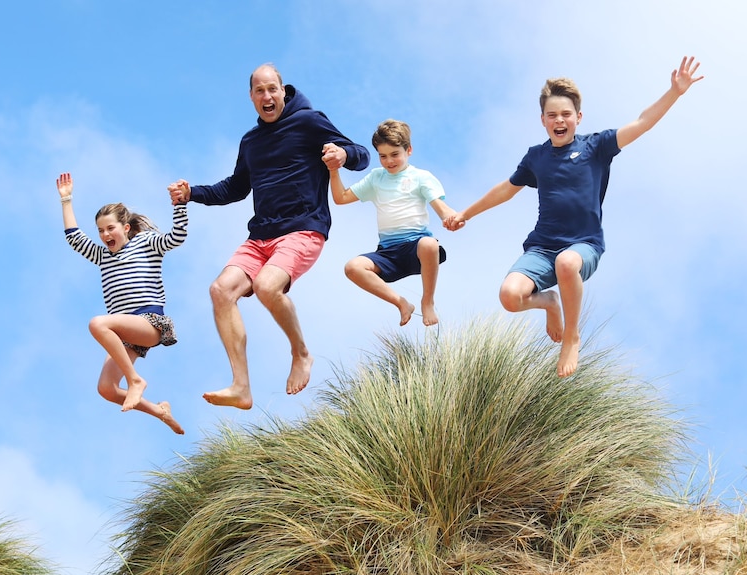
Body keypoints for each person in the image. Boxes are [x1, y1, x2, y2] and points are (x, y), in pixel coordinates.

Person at [444, 56, 703, 378]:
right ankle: (550, 303)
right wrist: (465, 214)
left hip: (584, 245)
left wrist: (674, 93)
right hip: (541, 248)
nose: (559, 120)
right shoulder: (536, 156)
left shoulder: (597, 146)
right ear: (542, 120)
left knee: (567, 263)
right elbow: (506, 189)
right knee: (510, 297)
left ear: (578, 117)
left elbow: (642, 122)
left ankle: (572, 336)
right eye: (552, 115)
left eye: (566, 114)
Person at [168, 63, 370, 410]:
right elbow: (234, 188)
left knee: (266, 286)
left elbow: (362, 156)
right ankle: (241, 387)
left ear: (283, 90)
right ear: (251, 97)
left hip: (304, 228)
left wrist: (342, 153)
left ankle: (301, 353)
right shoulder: (251, 141)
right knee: (220, 291)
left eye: (272, 89)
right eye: (259, 91)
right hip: (261, 236)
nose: (267, 96)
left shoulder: (308, 121)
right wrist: (192, 194)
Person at [57, 172, 187, 434]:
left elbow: (177, 238)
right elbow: (73, 237)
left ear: (125, 228)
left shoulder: (145, 243)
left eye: (110, 228)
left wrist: (180, 205)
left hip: (149, 322)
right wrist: (66, 200)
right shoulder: (102, 255)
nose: (105, 234)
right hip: (126, 334)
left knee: (98, 324)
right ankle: (160, 411)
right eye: (101, 230)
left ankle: (135, 380)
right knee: (106, 389)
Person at [327, 119, 456, 326]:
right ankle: (401, 303)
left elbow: (441, 208)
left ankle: (427, 301)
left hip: (416, 248)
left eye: (395, 154)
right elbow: (341, 198)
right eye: (383, 156)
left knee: (430, 243)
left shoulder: (421, 177)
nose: (389, 161)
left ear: (409, 150)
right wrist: (333, 170)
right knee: (353, 267)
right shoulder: (376, 178)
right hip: (388, 253)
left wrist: (450, 217)